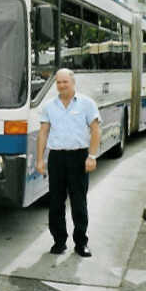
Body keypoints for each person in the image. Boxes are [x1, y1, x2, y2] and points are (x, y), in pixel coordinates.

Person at [36, 68, 101, 257]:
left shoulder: (87, 104)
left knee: (78, 202)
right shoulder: (49, 106)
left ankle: (81, 243)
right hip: (57, 158)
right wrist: (40, 160)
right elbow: (43, 133)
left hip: (79, 157)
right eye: (58, 82)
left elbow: (96, 130)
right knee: (55, 202)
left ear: (73, 82)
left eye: (65, 81)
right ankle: (59, 241)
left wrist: (92, 156)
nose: (62, 85)